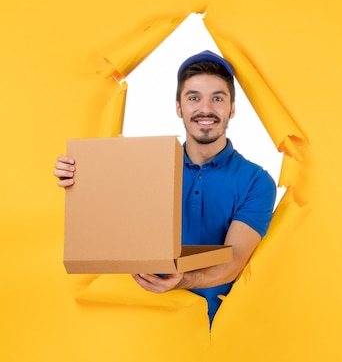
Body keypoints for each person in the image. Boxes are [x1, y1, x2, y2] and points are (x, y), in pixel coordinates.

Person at [54, 50, 277, 324]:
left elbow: (233, 261)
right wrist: (82, 179)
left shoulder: (256, 181)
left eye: (217, 98)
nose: (205, 109)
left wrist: (184, 280)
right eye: (193, 98)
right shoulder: (144, 167)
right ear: (178, 107)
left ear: (232, 108)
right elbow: (109, 226)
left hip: (215, 329)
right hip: (144, 321)